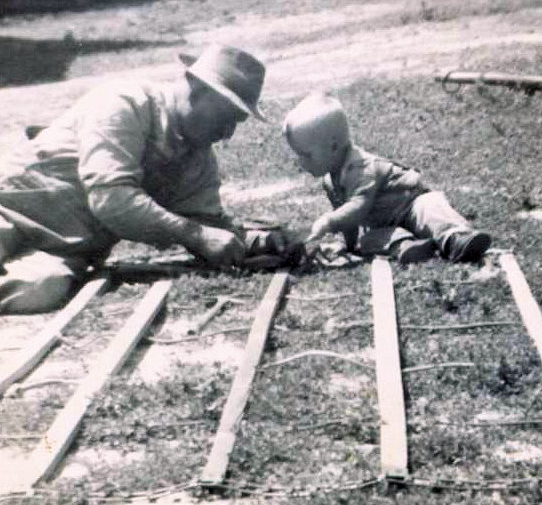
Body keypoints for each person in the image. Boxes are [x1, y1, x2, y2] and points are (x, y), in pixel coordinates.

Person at [0, 43, 276, 313]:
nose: (228, 133)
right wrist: (199, 236)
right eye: (226, 117)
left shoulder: (198, 156)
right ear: (199, 89)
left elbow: (206, 223)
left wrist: (251, 242)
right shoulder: (125, 103)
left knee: (44, 288)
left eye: (236, 123)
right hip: (9, 215)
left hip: (61, 250)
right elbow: (111, 199)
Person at [282, 92, 492, 264]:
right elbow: (350, 220)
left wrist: (328, 221)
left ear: (334, 146)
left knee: (430, 208)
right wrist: (349, 246)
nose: (301, 162)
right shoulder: (330, 181)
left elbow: (357, 207)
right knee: (369, 239)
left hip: (409, 205)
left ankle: (457, 238)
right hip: (384, 223)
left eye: (306, 155)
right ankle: (405, 245)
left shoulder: (363, 168)